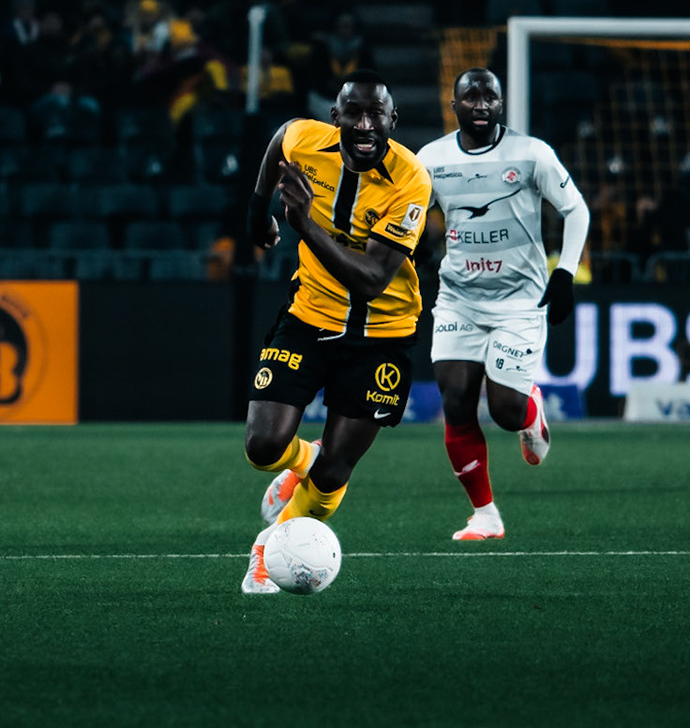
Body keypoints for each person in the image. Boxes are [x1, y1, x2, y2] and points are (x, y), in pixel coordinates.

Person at [240, 72, 434, 594]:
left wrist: (304, 226)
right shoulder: (307, 139)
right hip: (309, 317)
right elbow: (280, 138)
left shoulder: (411, 180)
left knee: (336, 467)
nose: (365, 125)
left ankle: (267, 553)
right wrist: (259, 212)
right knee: (262, 447)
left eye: (377, 115)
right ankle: (299, 457)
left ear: (394, 121)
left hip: (384, 335)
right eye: (355, 113)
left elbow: (372, 280)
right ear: (336, 117)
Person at [416, 68, 589, 542]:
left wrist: (565, 273)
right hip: (458, 299)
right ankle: (485, 515)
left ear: (501, 104)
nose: (479, 102)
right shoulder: (431, 159)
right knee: (455, 400)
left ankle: (530, 409)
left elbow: (576, 210)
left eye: (488, 95)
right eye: (469, 95)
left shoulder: (532, 154)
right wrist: (417, 247)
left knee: (506, 411)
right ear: (454, 106)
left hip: (519, 300)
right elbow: (406, 210)